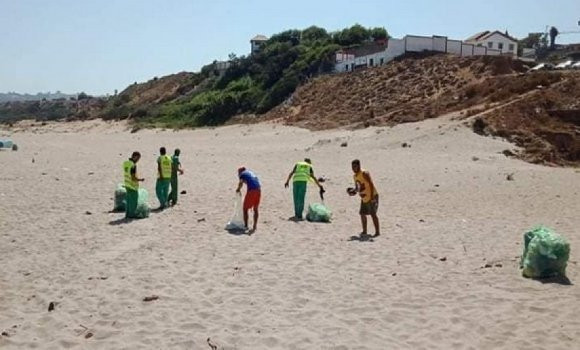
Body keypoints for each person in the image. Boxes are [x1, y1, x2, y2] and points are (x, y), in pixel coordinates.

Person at [348, 159, 380, 237]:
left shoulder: (364, 173)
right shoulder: (355, 176)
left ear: (359, 166)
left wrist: (372, 197)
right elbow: (357, 187)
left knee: (373, 214)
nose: (353, 169)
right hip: (364, 197)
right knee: (362, 214)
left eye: (355, 167)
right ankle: (364, 231)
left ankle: (377, 232)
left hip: (372, 196)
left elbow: (371, 184)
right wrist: (353, 192)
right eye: (352, 167)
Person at [236, 167, 261, 233]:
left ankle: (246, 225)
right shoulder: (250, 173)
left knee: (245, 209)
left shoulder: (242, 174)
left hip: (252, 191)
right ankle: (255, 226)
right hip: (258, 190)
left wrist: (238, 189)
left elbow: (241, 182)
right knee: (255, 208)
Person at [122, 151, 144, 219]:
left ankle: (127, 214)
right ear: (135, 157)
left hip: (127, 184)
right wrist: (140, 180)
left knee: (128, 201)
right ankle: (132, 214)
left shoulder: (125, 163)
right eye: (138, 158)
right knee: (133, 201)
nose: (138, 160)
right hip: (132, 185)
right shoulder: (133, 165)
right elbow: (133, 177)